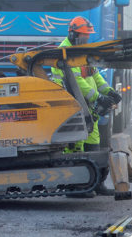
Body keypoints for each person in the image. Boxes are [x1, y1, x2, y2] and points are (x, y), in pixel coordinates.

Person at [51, 16, 121, 152]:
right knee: (76, 147)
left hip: (87, 109)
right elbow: (76, 82)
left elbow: (94, 75)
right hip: (73, 108)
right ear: (73, 34)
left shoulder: (81, 51)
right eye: (85, 35)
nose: (87, 38)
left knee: (93, 144)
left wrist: (110, 92)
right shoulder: (64, 54)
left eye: (88, 35)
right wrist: (98, 97)